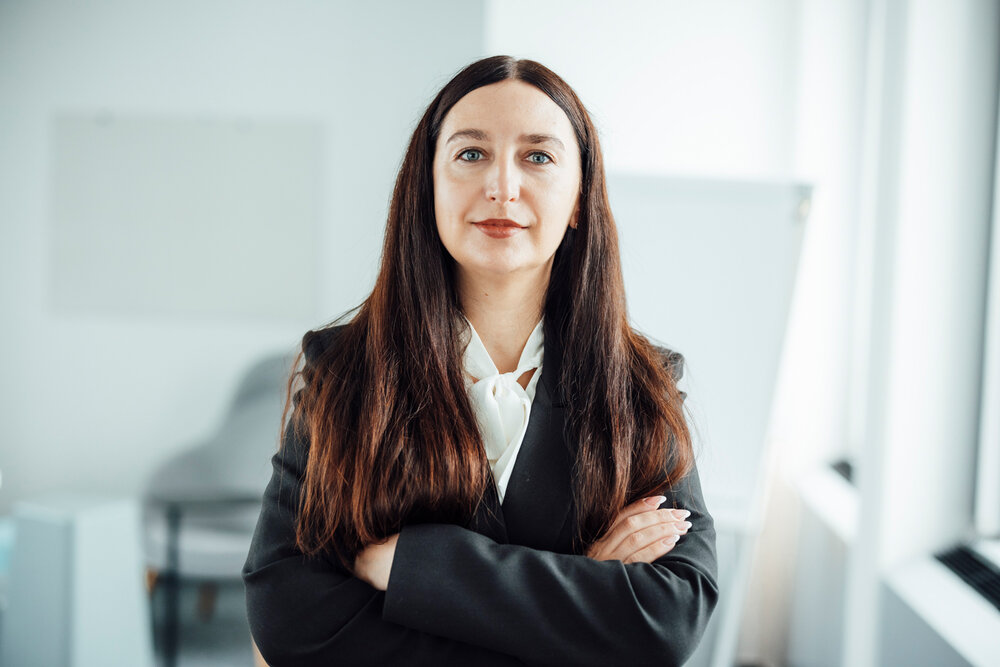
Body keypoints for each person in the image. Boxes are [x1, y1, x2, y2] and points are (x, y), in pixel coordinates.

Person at [243, 55, 718, 667]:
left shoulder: (641, 385)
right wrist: (581, 587)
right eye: (470, 154)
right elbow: (290, 616)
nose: (501, 186)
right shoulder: (345, 372)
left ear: (578, 199)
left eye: (538, 157)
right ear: (429, 186)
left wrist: (417, 568)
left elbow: (669, 620)